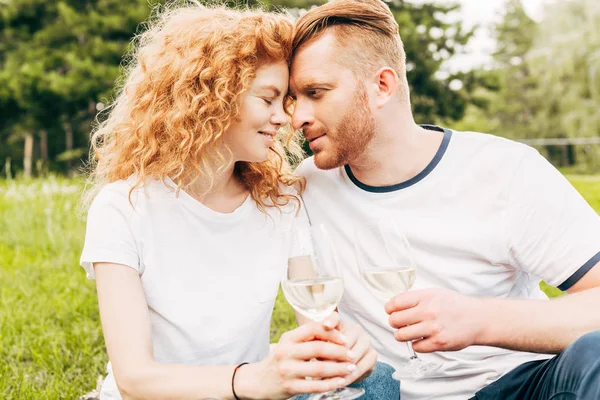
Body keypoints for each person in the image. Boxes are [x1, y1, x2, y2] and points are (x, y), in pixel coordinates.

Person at [288, 0, 600, 399]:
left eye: (315, 92)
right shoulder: (304, 189)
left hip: (508, 387)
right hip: (383, 389)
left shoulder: (505, 171)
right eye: (294, 98)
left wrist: (480, 320)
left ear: (382, 86)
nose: (298, 117)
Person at [80, 4, 379, 399]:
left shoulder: (280, 201)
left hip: (251, 393)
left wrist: (344, 350)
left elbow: (316, 319)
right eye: (267, 99)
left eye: (284, 102)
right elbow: (134, 377)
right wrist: (250, 381)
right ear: (211, 99)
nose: (283, 118)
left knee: (380, 383)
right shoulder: (123, 207)